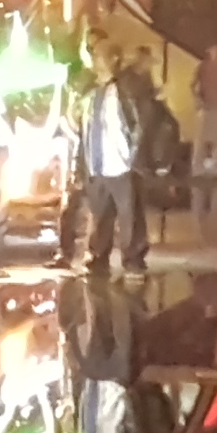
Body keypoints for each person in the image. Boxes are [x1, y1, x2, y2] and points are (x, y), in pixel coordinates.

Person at [72, 43, 146, 275]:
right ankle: (98, 255)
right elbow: (83, 128)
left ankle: (132, 258)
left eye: (99, 56)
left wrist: (132, 158)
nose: (95, 61)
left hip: (120, 164)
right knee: (101, 214)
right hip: (97, 165)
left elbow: (137, 125)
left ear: (113, 60)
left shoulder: (124, 90)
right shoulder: (91, 93)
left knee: (128, 215)